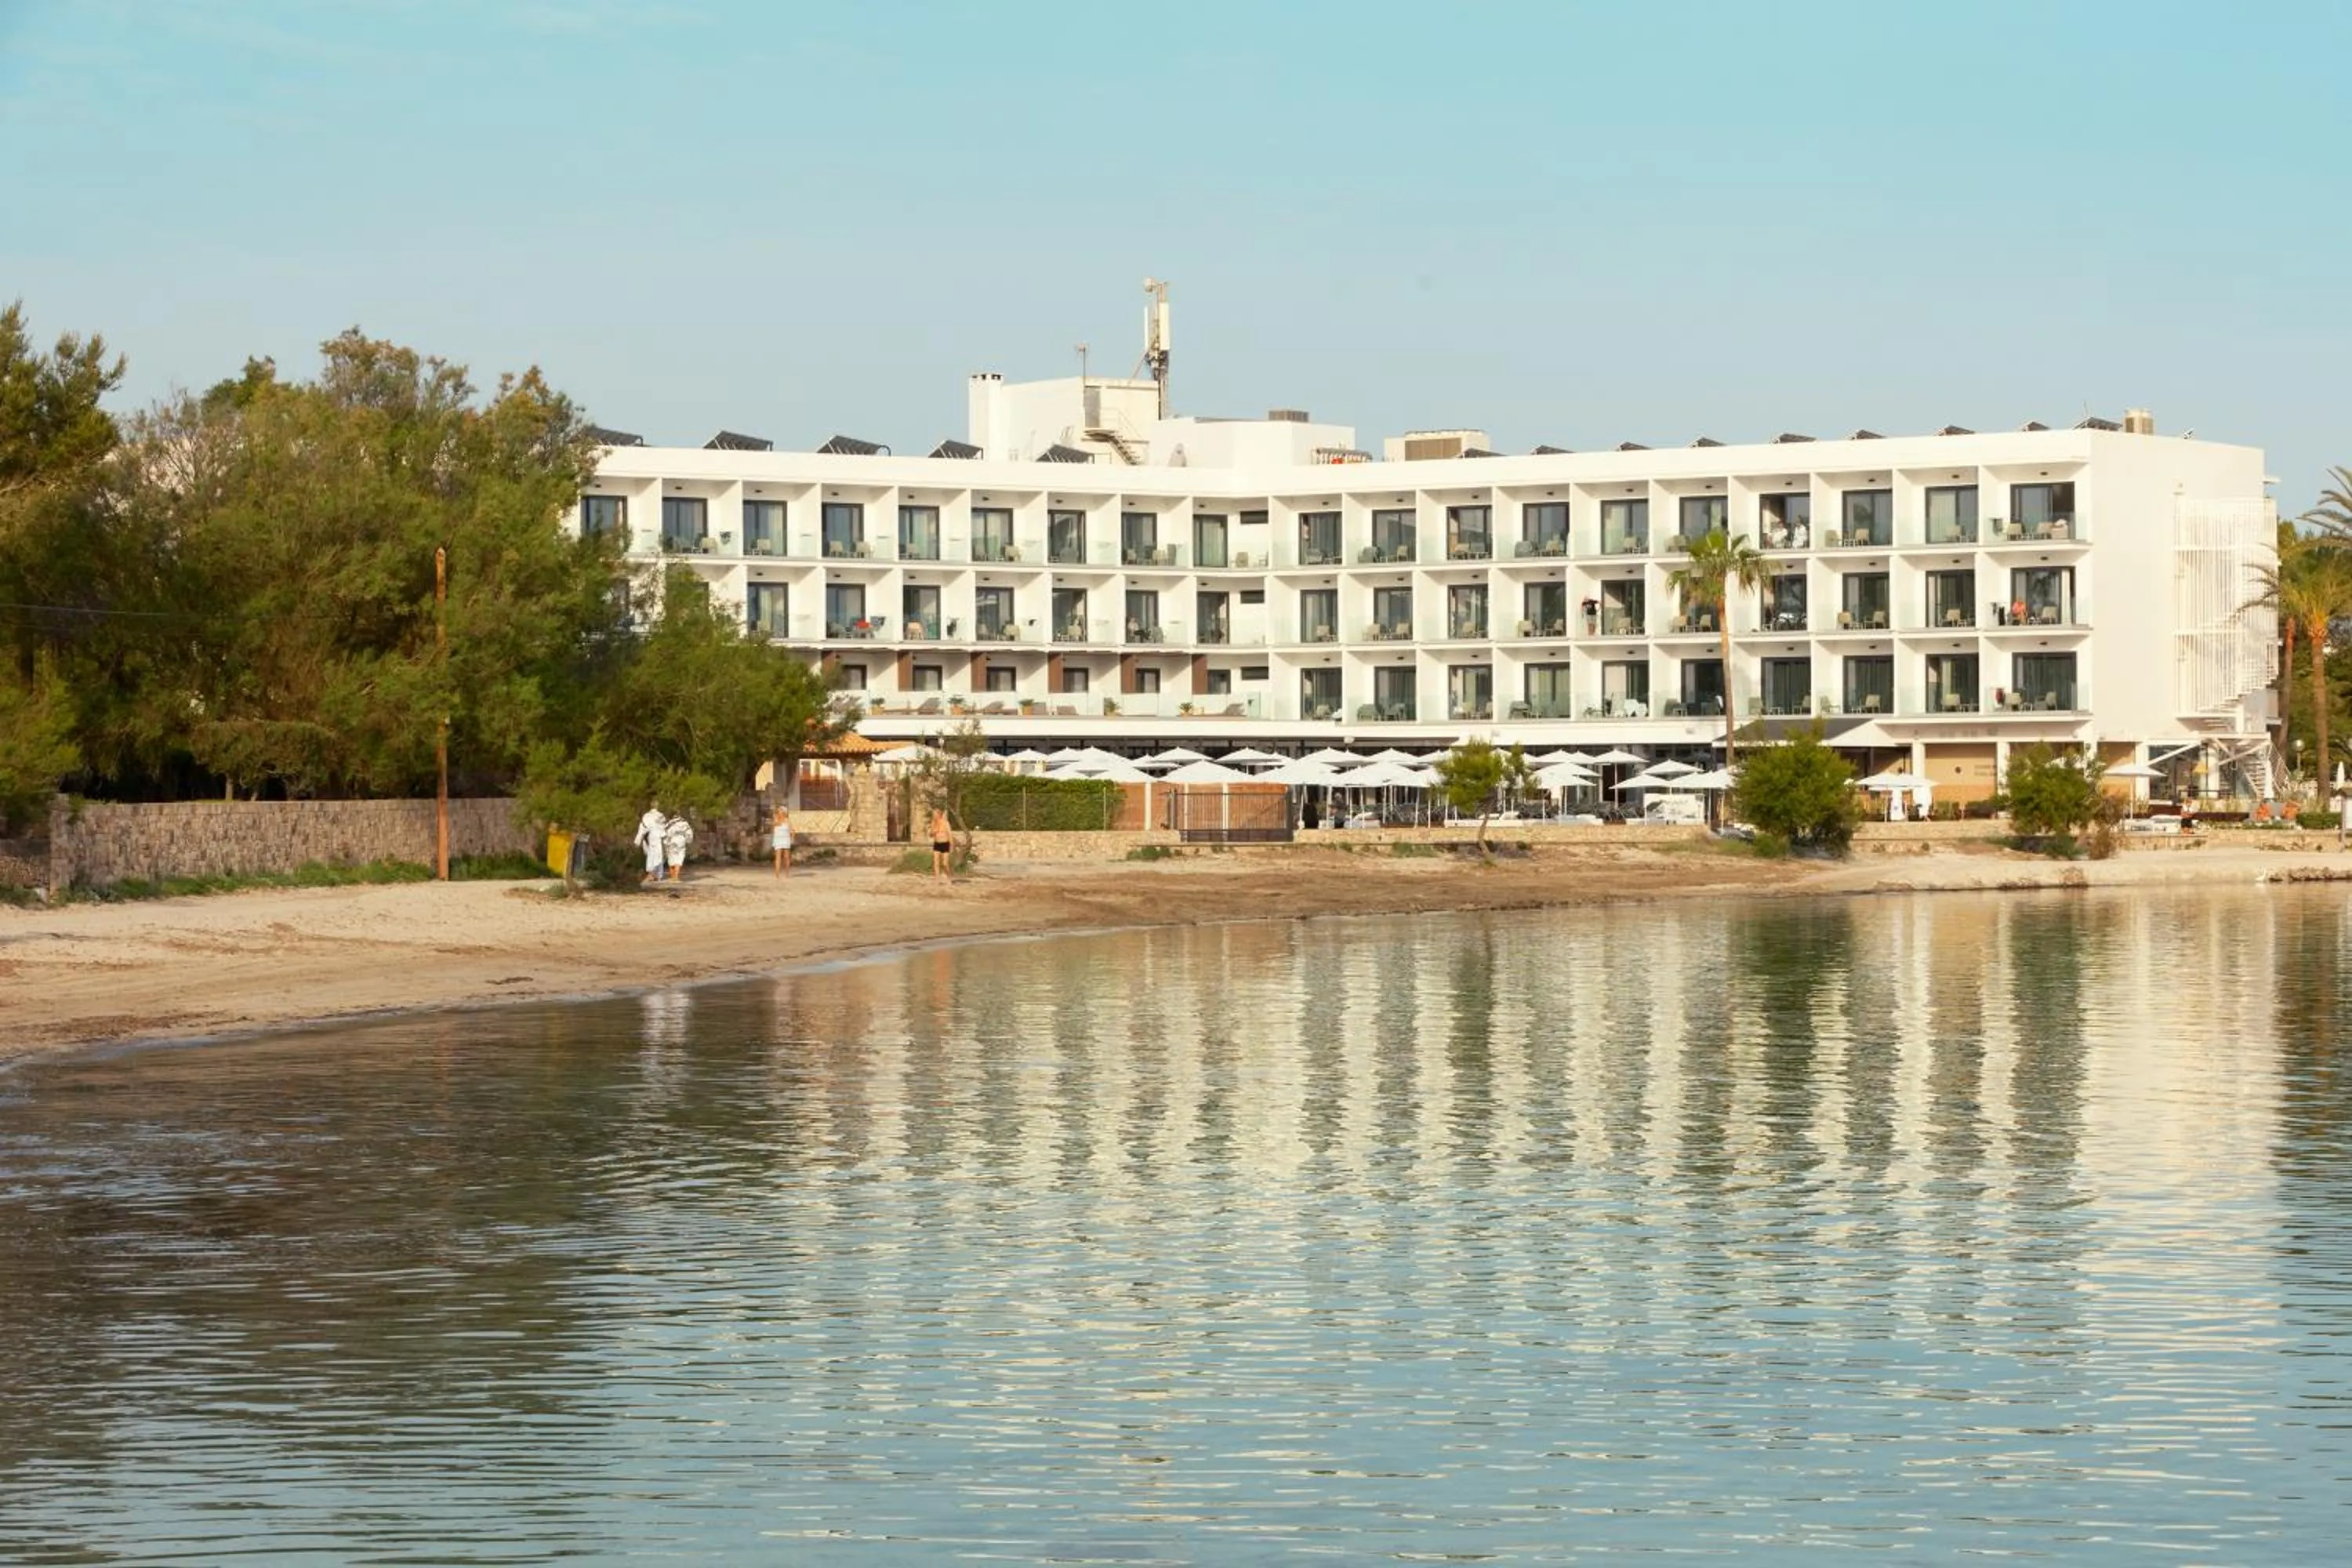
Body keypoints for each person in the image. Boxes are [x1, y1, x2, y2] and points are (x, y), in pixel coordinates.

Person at [633, 802, 666, 886]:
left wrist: (638, 840)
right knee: (658, 855)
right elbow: (664, 828)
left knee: (651, 855)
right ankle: (657, 874)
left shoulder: (647, 816)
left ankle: (652, 874)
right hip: (658, 838)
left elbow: (643, 829)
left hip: (651, 837)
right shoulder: (661, 816)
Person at [662, 812, 693, 881]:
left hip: (671, 842)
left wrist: (665, 843)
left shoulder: (668, 824)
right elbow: (689, 833)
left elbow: (665, 834)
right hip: (680, 841)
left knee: (671, 859)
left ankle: (673, 877)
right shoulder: (684, 823)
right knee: (679, 859)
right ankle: (676, 877)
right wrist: (688, 840)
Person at [929, 805, 953, 880]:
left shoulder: (945, 823)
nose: (934, 816)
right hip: (937, 844)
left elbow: (950, 834)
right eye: (933, 814)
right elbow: (930, 835)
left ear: (939, 814)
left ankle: (949, 876)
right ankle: (937, 879)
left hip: (945, 844)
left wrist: (951, 846)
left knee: (945, 864)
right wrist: (933, 832)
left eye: (935, 814)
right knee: (936, 863)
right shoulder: (933, 823)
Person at [771, 804, 793, 878]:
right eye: (779, 811)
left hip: (786, 839)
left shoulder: (788, 821)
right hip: (778, 839)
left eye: (782, 811)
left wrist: (792, 836)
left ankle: (787, 873)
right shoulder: (776, 820)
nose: (780, 813)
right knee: (778, 856)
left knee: (786, 857)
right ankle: (777, 874)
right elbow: (776, 824)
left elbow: (792, 830)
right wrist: (779, 818)